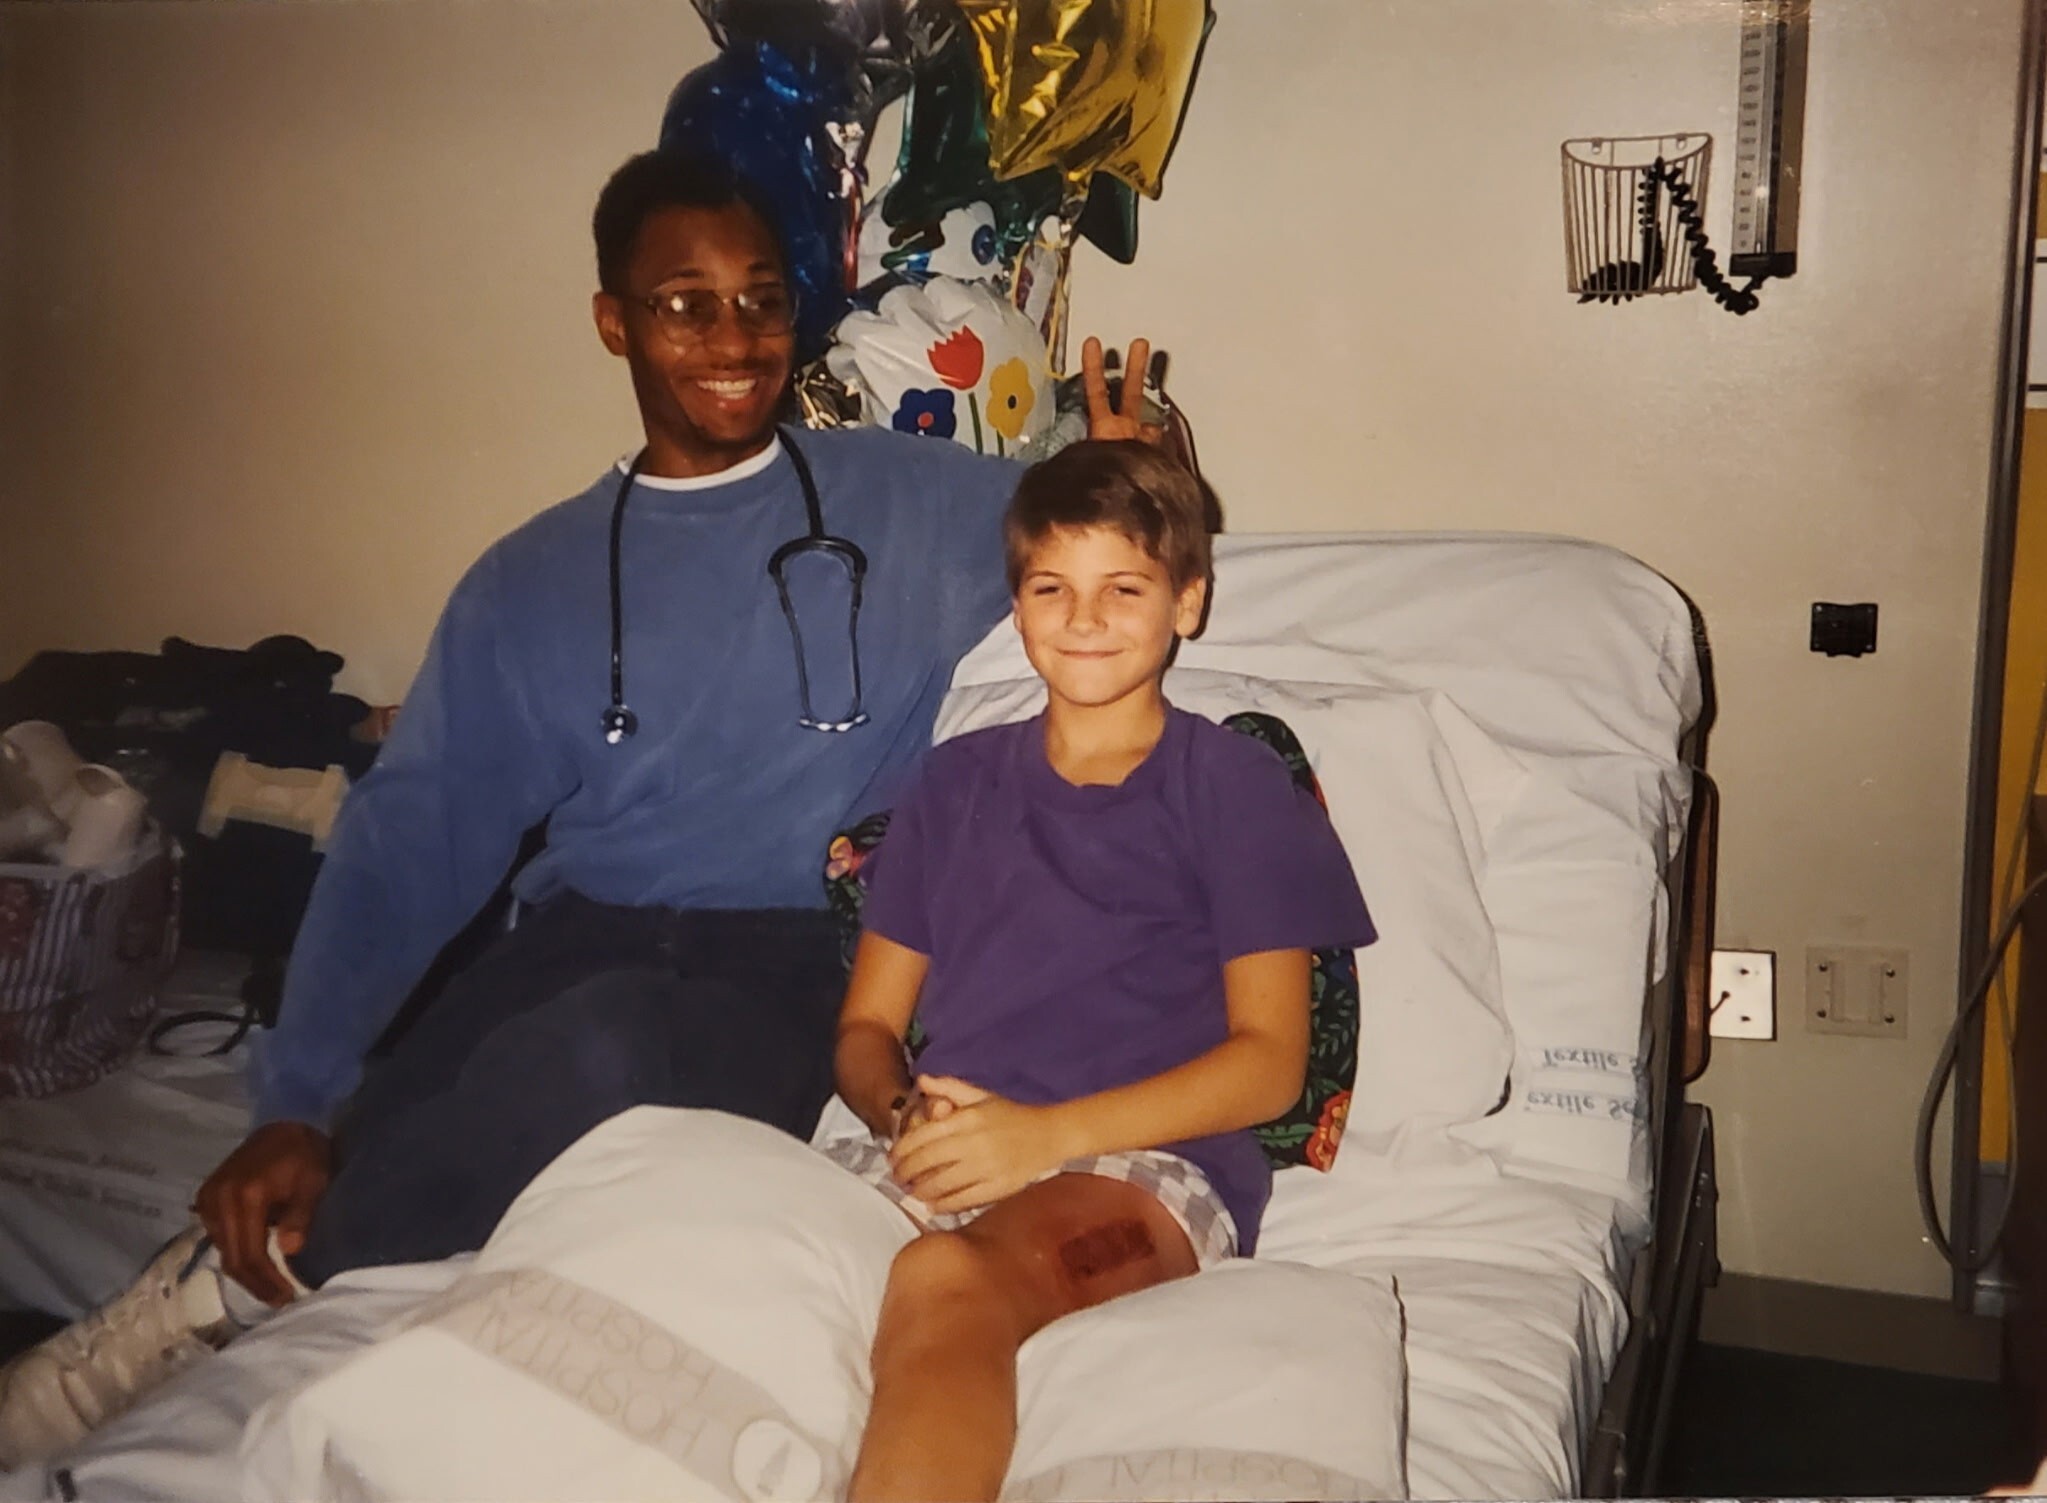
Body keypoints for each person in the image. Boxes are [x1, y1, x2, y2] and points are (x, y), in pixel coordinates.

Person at [0, 149, 1163, 1468]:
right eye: (685, 304)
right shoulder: (528, 583)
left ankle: (218, 1302)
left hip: (806, 953)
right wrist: (295, 1097)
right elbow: (407, 842)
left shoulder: (913, 502)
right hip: (578, 931)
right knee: (428, 1095)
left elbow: (1103, 554)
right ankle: (228, 1280)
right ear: (614, 321)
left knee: (602, 1054)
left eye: (761, 299)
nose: (733, 338)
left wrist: (1137, 479)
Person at [824, 440, 1376, 1501]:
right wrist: (903, 1115)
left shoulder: (1233, 787)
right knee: (735, 1261)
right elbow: (864, 1031)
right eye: (1051, 588)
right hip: (944, 1145)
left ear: (1187, 602)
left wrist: (1042, 1138)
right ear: (1017, 606)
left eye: (1123, 588)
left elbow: (1270, 1065)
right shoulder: (951, 785)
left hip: (1143, 1176)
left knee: (944, 1275)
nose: (1083, 618)